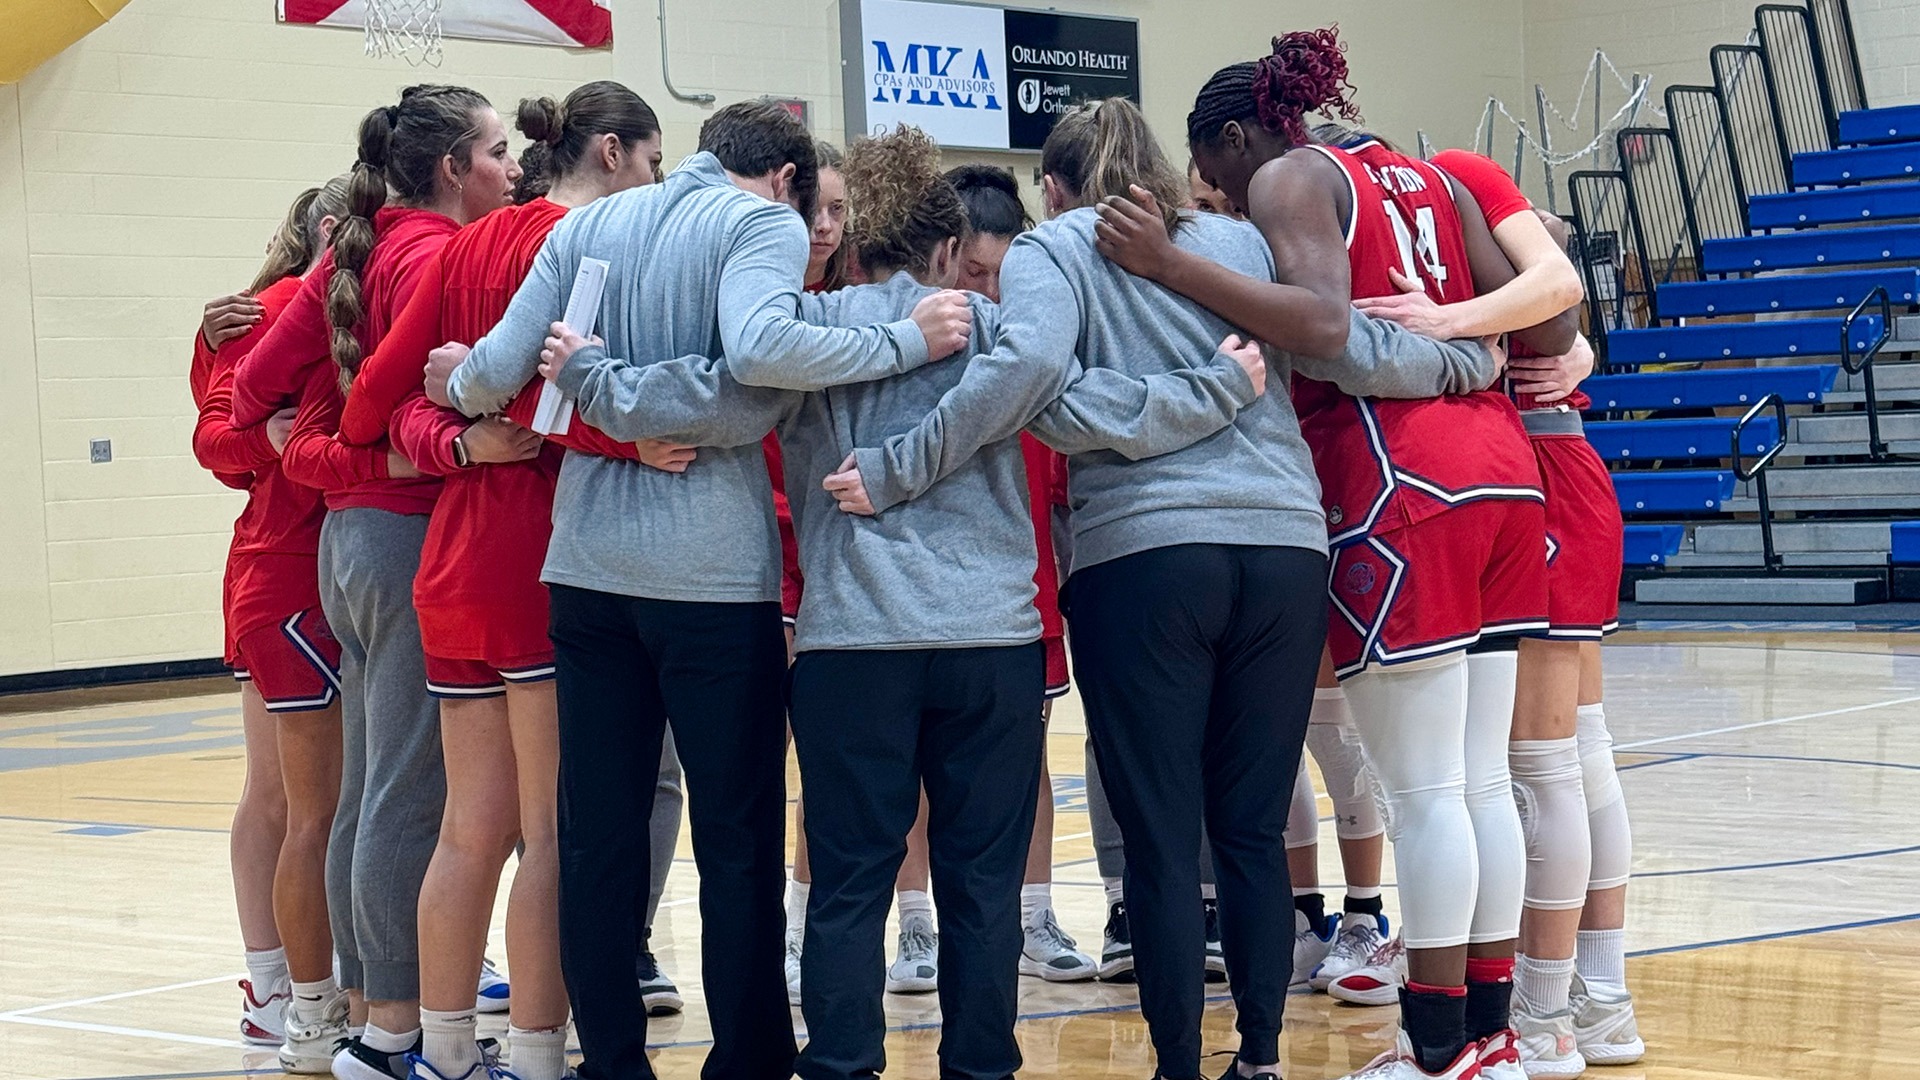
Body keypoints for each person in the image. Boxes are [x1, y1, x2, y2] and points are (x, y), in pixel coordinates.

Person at [826, 97, 1498, 1080]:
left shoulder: (1055, 251)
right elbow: (1337, 340)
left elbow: (1032, 381)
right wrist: (1460, 359)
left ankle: (1180, 1066)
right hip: (1282, 553)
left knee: (1163, 838)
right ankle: (1261, 1060)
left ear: (1054, 188)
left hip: (1144, 562)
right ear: (1162, 172)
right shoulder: (1241, 238)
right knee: (1254, 826)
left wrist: (895, 468)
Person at [431, 99, 968, 1080]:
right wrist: (904, 344)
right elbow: (760, 361)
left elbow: (508, 369)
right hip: (713, 584)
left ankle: (613, 1066)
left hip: (589, 576)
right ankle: (751, 1063)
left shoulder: (588, 220)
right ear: (785, 182)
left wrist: (457, 384)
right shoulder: (757, 220)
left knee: (601, 839)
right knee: (736, 842)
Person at [1097, 29, 1575, 1080]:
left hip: (1407, 488)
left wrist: (1170, 262)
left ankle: (1435, 1043)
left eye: (1212, 171)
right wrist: (1469, 342)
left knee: (1426, 795)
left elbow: (1316, 325)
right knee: (1482, 783)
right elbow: (1554, 322)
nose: (1216, 194)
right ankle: (1494, 1040)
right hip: (1503, 471)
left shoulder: (1289, 178)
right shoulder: (1427, 171)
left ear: (1237, 137)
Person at [329, 81, 663, 1080]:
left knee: (468, 829)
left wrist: (460, 439)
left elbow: (371, 415)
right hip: (534, 561)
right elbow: (579, 401)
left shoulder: (464, 245)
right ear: (609, 155)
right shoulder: (579, 244)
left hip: (452, 560)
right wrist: (648, 447)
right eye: (651, 163)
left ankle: (435, 1050)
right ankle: (530, 1054)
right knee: (552, 832)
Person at [233, 83, 518, 1080]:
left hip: (346, 545)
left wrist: (317, 450)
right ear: (452, 169)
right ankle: (391, 1022)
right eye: (495, 149)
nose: (512, 166)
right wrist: (404, 453)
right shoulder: (441, 254)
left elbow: (255, 388)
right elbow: (327, 416)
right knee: (407, 789)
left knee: (364, 789)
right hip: (405, 545)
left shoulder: (357, 253)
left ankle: (365, 1004)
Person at [1401, 148, 1638, 1073]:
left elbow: (1557, 293)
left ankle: (1548, 1009)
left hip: (1540, 469)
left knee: (1543, 766)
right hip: (1548, 466)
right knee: (1572, 758)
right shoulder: (1437, 208)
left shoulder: (1454, 173)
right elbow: (1561, 316)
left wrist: (1453, 324)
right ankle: (1595, 997)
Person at [190, 176, 350, 1061]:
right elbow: (218, 445)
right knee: (301, 801)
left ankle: (291, 982)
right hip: (287, 567)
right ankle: (287, 984)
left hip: (293, 565)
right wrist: (275, 442)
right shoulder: (267, 311)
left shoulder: (290, 306)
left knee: (291, 796)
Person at [947, 162, 1096, 984]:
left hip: (1026, 597)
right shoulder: (925, 344)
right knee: (923, 778)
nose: (991, 293)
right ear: (943, 260)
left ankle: (1037, 919)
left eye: (1004, 276)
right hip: (934, 603)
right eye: (975, 274)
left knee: (1027, 764)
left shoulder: (1038, 356)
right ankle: (918, 927)